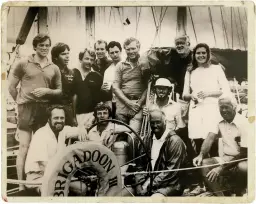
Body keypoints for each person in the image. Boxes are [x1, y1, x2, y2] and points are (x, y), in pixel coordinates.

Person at [8, 33, 62, 190]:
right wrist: (21, 102)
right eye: (41, 45)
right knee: (24, 146)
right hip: (26, 107)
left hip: (44, 108)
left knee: (40, 146)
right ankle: (21, 185)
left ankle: (39, 181)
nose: (44, 48)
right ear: (35, 47)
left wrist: (47, 91)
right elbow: (11, 87)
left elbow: (59, 91)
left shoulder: (54, 68)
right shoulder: (23, 63)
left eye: (47, 45)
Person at [25, 105, 87, 194]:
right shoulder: (40, 135)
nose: (59, 121)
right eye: (56, 118)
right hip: (38, 177)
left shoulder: (63, 130)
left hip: (57, 174)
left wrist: (82, 130)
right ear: (49, 119)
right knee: (52, 191)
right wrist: (65, 175)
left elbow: (78, 130)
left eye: (62, 118)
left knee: (83, 188)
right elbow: (44, 165)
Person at [182, 43, 231, 155]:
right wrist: (192, 95)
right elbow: (184, 95)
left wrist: (208, 93)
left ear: (208, 54)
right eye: (198, 53)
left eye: (204, 53)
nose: (201, 55)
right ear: (194, 55)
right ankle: (201, 167)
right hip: (196, 109)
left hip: (212, 108)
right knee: (198, 139)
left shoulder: (217, 69)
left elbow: (225, 90)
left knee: (212, 138)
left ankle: (214, 166)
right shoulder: (190, 71)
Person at [193, 95, 247, 196]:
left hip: (243, 159)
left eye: (227, 107)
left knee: (242, 167)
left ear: (234, 107)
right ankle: (222, 198)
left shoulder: (244, 123)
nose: (223, 110)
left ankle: (240, 193)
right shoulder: (219, 120)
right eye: (221, 107)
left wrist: (221, 168)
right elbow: (209, 138)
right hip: (226, 158)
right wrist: (201, 154)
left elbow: (244, 154)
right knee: (204, 164)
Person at [134, 108, 187, 196]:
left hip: (170, 184)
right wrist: (138, 185)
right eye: (152, 122)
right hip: (148, 182)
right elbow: (140, 166)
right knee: (122, 194)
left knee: (153, 200)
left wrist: (149, 186)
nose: (155, 125)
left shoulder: (175, 141)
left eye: (158, 122)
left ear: (165, 121)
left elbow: (171, 172)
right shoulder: (147, 139)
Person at [112, 37, 148, 134]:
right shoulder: (120, 65)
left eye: (133, 48)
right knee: (119, 136)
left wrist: (138, 104)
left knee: (133, 137)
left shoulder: (144, 64)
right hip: (122, 105)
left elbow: (148, 86)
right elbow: (115, 87)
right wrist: (128, 103)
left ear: (138, 48)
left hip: (137, 105)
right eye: (128, 49)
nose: (131, 51)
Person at [73, 48, 103, 129]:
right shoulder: (73, 73)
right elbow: (72, 97)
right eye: (86, 58)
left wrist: (93, 118)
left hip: (91, 116)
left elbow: (99, 101)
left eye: (92, 59)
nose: (89, 62)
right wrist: (73, 117)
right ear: (80, 59)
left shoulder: (97, 76)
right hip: (76, 115)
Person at [51, 42, 77, 126]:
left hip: (67, 110)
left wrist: (73, 116)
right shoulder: (49, 71)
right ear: (55, 57)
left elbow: (74, 96)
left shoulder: (71, 72)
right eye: (63, 54)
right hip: (53, 110)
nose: (67, 57)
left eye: (68, 54)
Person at [101, 41, 122, 111]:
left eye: (117, 52)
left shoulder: (127, 65)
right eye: (112, 53)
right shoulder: (108, 71)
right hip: (115, 103)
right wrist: (103, 89)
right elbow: (107, 90)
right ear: (108, 54)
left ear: (121, 51)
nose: (115, 55)